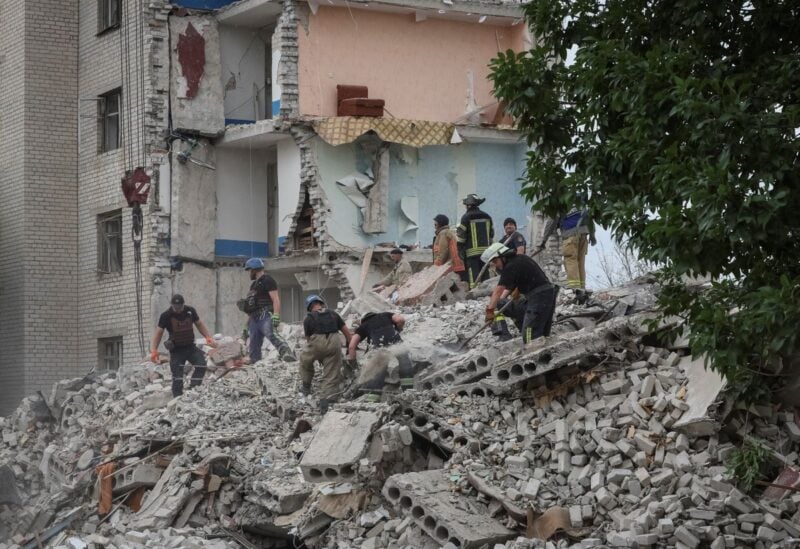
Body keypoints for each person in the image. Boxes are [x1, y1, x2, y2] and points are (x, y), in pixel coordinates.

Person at [482, 243, 558, 344]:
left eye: (496, 261)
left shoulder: (510, 266)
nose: (496, 265)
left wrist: (490, 311)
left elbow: (498, 290)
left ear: (503, 256)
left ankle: (532, 345)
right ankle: (512, 332)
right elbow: (506, 291)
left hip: (539, 297)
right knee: (540, 334)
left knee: (530, 337)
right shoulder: (520, 259)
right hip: (544, 295)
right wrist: (498, 304)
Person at [150, 294, 217, 397]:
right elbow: (159, 333)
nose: (177, 310)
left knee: (201, 365)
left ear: (183, 305)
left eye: (179, 307)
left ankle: (194, 388)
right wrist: (154, 350)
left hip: (190, 347)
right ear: (172, 305)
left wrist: (208, 337)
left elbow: (199, 324)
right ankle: (177, 398)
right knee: (177, 376)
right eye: (175, 307)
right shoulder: (166, 316)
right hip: (176, 351)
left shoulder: (190, 311)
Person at [299, 295, 352, 414]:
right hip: (334, 342)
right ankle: (325, 403)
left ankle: (306, 386)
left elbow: (308, 340)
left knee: (304, 360)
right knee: (331, 372)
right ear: (321, 304)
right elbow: (348, 334)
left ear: (309, 307)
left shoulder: (308, 318)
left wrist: (317, 355)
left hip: (316, 342)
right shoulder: (333, 314)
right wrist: (349, 349)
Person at [239, 257, 296, 363]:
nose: (249, 273)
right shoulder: (253, 285)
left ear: (254, 270)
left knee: (271, 334)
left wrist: (276, 315)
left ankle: (287, 352)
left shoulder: (268, 280)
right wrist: (246, 326)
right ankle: (254, 359)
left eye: (249, 270)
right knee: (254, 339)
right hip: (254, 317)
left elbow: (276, 299)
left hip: (265, 314)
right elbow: (251, 307)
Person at [538, 202, 596, 302]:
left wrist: (543, 240)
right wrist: (592, 234)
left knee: (570, 260)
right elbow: (588, 216)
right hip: (584, 234)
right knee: (580, 261)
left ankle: (576, 290)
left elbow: (551, 223)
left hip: (570, 235)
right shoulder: (577, 199)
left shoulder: (558, 203)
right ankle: (582, 288)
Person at [346, 311, 414, 393]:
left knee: (379, 372)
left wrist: (354, 365)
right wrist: (398, 330)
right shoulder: (385, 315)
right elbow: (400, 320)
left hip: (380, 348)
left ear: (363, 320)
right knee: (405, 364)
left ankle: (373, 399)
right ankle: (409, 392)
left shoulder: (363, 326)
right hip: (397, 343)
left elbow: (351, 347)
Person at [456, 194, 494, 289]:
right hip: (486, 252)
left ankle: (474, 292)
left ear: (468, 205)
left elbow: (461, 237)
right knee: (485, 272)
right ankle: (486, 291)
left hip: (471, 253)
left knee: (473, 273)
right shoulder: (487, 216)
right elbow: (491, 234)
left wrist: (460, 250)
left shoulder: (466, 217)